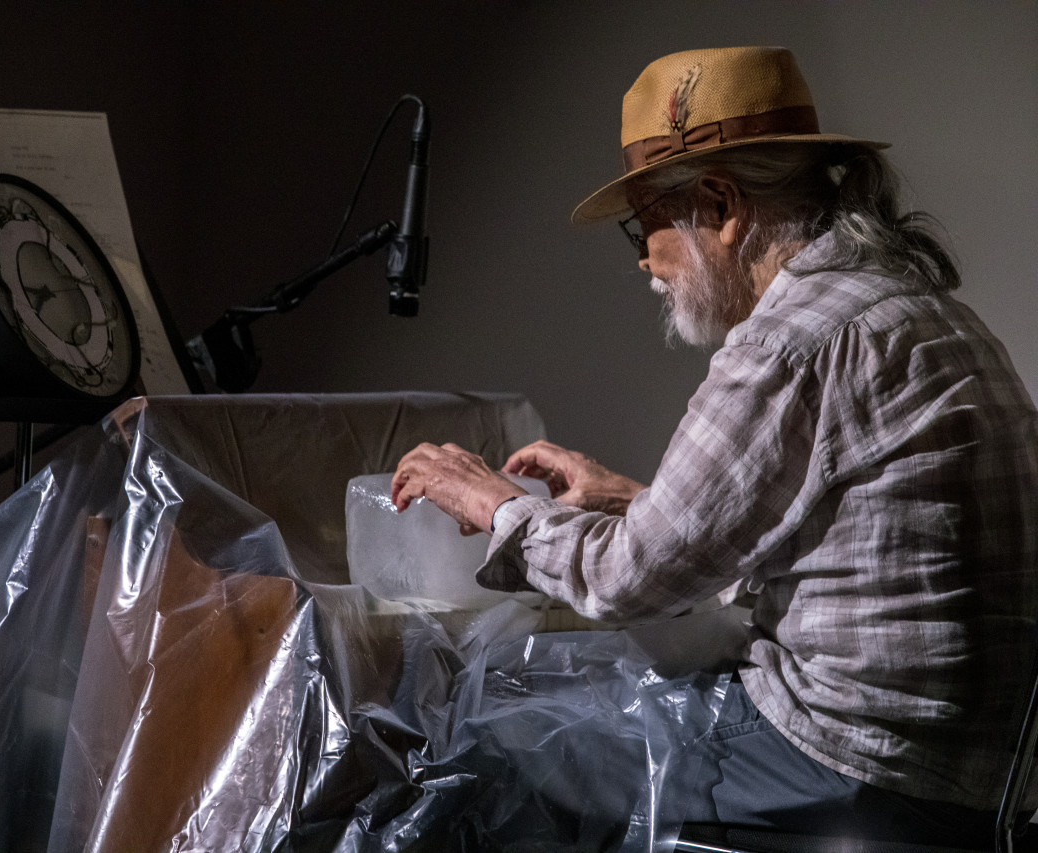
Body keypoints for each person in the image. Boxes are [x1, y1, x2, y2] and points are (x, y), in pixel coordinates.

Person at [390, 46, 1038, 845]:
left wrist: (495, 506)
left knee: (484, 727)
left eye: (647, 223)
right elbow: (852, 531)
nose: (642, 258)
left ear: (722, 205)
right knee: (544, 692)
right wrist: (634, 503)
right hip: (980, 777)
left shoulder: (793, 341)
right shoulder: (923, 314)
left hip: (849, 763)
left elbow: (625, 582)